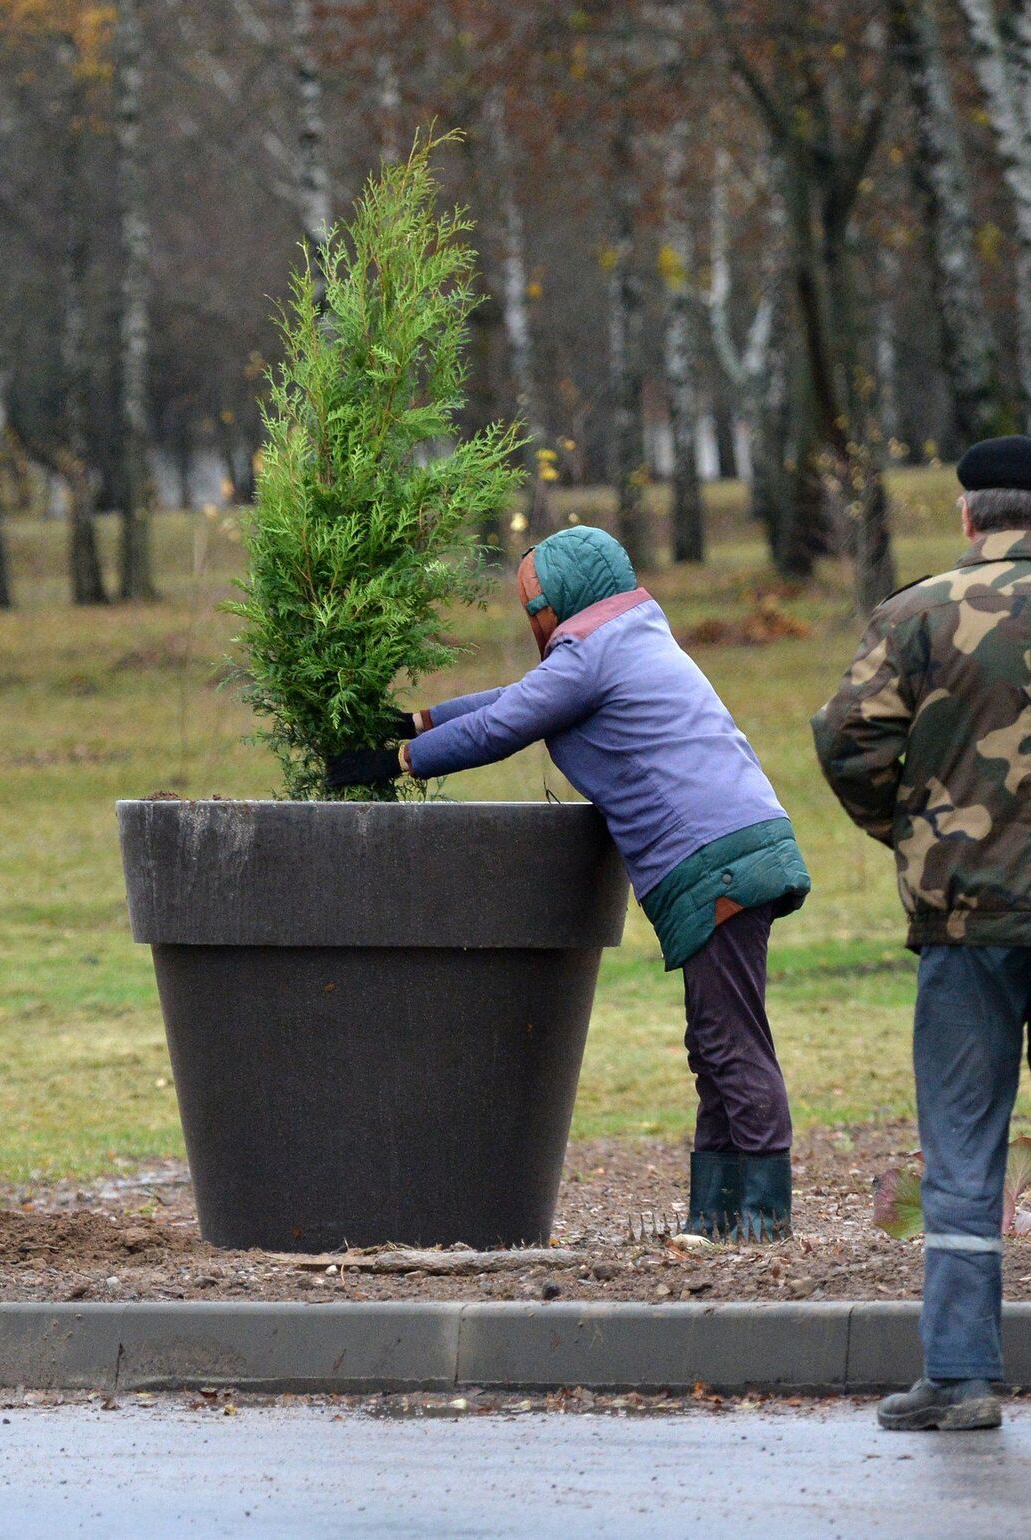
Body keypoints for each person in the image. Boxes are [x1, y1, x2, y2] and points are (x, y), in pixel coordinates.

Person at [329, 525, 811, 1239]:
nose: (533, 624)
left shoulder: (594, 655)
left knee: (731, 1039)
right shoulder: (627, 636)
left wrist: (396, 759)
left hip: (718, 861)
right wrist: (418, 719)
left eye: (533, 609)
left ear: (561, 604)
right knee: (715, 1038)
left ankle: (763, 1222)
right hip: (737, 847)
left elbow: (504, 727)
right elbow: (518, 697)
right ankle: (718, 1219)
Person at [812, 434, 1031, 1433]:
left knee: (961, 1146)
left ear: (965, 518)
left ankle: (958, 1375)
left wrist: (912, 833)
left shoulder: (912, 615)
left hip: (962, 920)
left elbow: (846, 738)